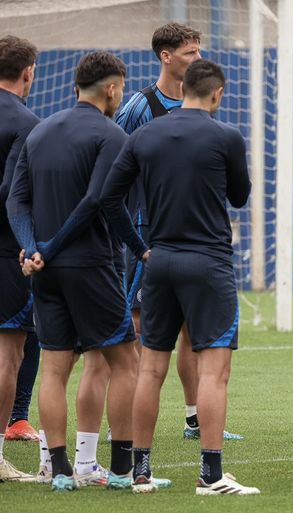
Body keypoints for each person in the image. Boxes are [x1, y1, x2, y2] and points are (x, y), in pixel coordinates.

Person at [101, 59, 258, 495]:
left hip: (160, 261)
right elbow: (241, 197)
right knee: (214, 371)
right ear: (217, 93)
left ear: (183, 86)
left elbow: (108, 199)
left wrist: (139, 249)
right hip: (208, 263)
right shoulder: (226, 135)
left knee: (150, 370)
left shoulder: (145, 133)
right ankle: (210, 475)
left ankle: (141, 472)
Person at [6, 51, 142, 491]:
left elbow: (16, 200)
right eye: (120, 87)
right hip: (91, 265)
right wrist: (50, 247)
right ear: (111, 88)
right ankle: (121, 471)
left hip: (43, 271)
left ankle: (61, 472)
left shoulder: (40, 129)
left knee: (54, 368)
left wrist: (32, 249)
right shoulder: (112, 133)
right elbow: (98, 201)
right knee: (124, 361)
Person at [115, 23, 241, 441]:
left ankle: (194, 419)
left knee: (193, 332)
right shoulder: (138, 108)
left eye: (199, 51)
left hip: (186, 244)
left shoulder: (206, 109)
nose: (197, 58)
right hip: (147, 237)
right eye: (189, 52)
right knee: (138, 333)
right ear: (166, 56)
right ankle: (128, 435)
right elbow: (115, 173)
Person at [0, 34, 39, 482]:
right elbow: (12, 195)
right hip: (4, 252)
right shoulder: (27, 122)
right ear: (28, 72)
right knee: (8, 355)